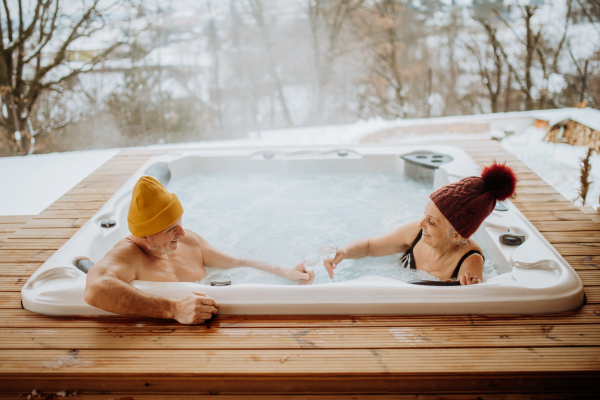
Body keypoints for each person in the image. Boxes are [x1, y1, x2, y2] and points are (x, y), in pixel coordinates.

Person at [84, 176, 314, 325]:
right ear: (144, 235)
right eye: (170, 229)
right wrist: (173, 309)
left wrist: (285, 272)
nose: (183, 234)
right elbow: (95, 289)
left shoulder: (187, 240)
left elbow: (237, 262)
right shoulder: (128, 256)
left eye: (181, 222)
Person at [324, 162, 517, 285]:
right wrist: (344, 252)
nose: (421, 223)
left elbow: (472, 301)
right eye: (425, 214)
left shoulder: (469, 260)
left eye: (431, 222)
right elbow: (369, 246)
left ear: (457, 235)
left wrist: (468, 288)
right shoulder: (415, 234)